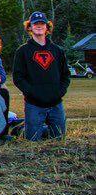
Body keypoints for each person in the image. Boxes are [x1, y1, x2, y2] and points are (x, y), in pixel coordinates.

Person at [13, 11, 70, 141]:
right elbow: (18, 77)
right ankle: (19, 129)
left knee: (59, 138)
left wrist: (59, 92)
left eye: (42, 24)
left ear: (47, 27)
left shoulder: (57, 51)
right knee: (32, 140)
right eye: (35, 24)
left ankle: (39, 129)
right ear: (30, 27)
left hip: (55, 103)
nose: (39, 26)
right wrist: (32, 92)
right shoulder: (23, 51)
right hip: (34, 104)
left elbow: (65, 75)